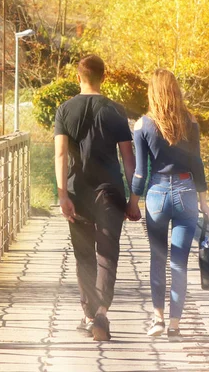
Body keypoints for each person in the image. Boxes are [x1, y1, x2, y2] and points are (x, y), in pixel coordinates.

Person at [54, 54, 141, 341]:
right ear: (104, 77)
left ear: (78, 77)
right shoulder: (115, 110)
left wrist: (62, 194)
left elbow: (61, 154)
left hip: (77, 191)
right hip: (110, 193)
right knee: (108, 253)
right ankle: (102, 312)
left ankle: (88, 314)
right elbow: (129, 158)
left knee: (84, 257)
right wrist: (133, 199)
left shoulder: (64, 110)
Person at [129, 68, 209, 339]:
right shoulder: (190, 121)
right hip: (187, 192)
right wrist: (204, 201)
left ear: (152, 92)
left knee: (157, 259)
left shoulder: (143, 125)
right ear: (176, 91)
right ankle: (175, 323)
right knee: (179, 263)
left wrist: (133, 201)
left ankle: (157, 320)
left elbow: (140, 171)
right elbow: (197, 163)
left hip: (157, 195)